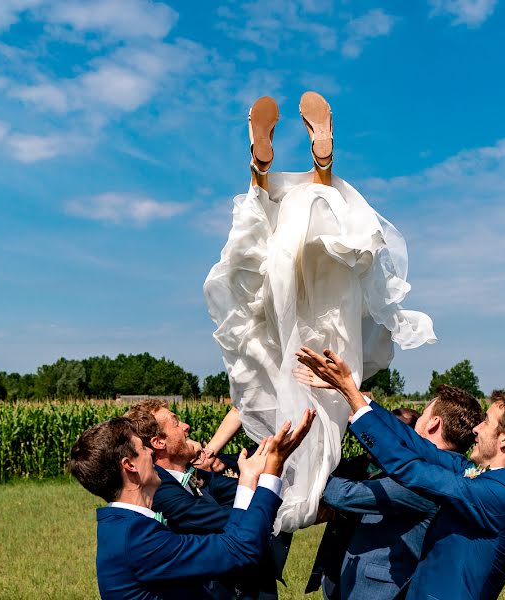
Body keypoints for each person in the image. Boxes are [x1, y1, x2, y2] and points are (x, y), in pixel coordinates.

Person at [204, 92, 436, 531]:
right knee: (259, 301)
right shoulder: (291, 457)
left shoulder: (312, 447)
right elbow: (251, 385)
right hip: (297, 344)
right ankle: (264, 179)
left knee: (326, 273)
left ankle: (306, 180)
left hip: (324, 348)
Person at [296, 347, 505, 600]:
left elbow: (411, 468)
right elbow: (419, 447)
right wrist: (353, 395)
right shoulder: (490, 475)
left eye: (486, 423)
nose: (476, 430)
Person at [68, 408, 315, 600]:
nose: (152, 454)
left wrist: (249, 478)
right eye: (143, 448)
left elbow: (233, 543)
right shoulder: (136, 538)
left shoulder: (127, 526)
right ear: (129, 465)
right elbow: (240, 550)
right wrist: (272, 470)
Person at [306, 388, 483, 599]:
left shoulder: (429, 479)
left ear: (433, 423)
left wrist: (305, 465)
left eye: (423, 414)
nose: (417, 422)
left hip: (377, 590)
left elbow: (343, 495)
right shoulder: (447, 469)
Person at [125, 400, 289, 600]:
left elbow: (237, 491)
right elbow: (221, 518)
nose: (186, 426)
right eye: (176, 422)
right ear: (159, 442)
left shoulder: (193, 474)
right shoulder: (160, 490)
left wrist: (263, 475)